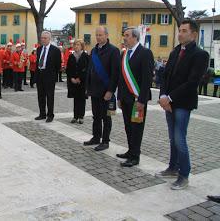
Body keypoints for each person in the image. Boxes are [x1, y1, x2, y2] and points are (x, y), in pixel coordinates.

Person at [156, 19, 209, 190]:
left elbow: (192, 82)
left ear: (193, 34)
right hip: (169, 102)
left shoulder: (200, 55)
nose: (180, 33)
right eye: (179, 30)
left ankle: (184, 175)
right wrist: (163, 95)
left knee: (180, 139)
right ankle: (173, 167)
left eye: (184, 30)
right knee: (172, 138)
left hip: (182, 104)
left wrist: (169, 98)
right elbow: (165, 75)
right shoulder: (175, 51)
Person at [117, 27, 154, 167]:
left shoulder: (145, 53)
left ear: (135, 37)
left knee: (137, 128)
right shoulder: (124, 54)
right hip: (125, 99)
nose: (124, 38)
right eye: (124, 35)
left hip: (137, 99)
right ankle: (130, 151)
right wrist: (119, 97)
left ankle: (135, 156)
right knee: (128, 126)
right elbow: (121, 78)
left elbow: (147, 79)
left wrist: (142, 100)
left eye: (127, 35)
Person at [83, 27, 120, 151]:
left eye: (100, 35)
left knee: (106, 117)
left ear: (106, 35)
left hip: (105, 91)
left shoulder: (113, 50)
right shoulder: (94, 50)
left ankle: (105, 141)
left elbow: (115, 73)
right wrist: (87, 87)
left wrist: (110, 91)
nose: (98, 37)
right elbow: (90, 70)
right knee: (96, 116)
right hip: (94, 89)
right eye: (97, 35)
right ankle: (96, 137)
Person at [35, 31, 62, 123]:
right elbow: (37, 63)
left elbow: (58, 65)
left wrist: (54, 76)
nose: (43, 40)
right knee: (40, 96)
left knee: (50, 96)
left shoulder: (55, 50)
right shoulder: (39, 49)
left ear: (49, 39)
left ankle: (50, 115)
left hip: (49, 76)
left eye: (45, 38)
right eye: (42, 38)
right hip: (40, 75)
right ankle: (42, 114)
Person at [66, 39, 89, 124]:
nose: (76, 46)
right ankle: (75, 116)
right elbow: (68, 69)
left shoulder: (86, 56)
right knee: (75, 99)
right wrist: (71, 78)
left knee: (82, 99)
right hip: (73, 82)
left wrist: (80, 78)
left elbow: (87, 69)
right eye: (75, 45)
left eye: (78, 45)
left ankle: (81, 116)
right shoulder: (71, 56)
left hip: (82, 82)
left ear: (82, 46)